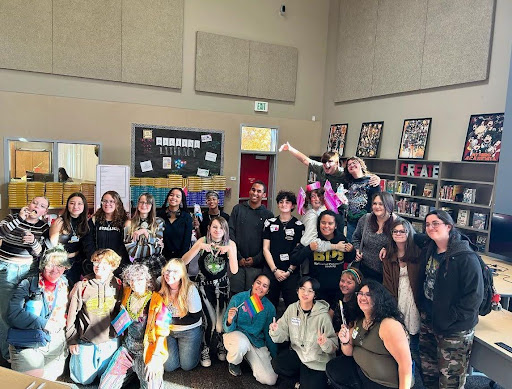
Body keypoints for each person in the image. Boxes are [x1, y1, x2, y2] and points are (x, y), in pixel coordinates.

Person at [418, 210, 483, 389]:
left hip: (453, 328)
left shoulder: (465, 257)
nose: (430, 227)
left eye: (435, 223)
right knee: (429, 373)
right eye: (428, 224)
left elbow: (474, 297)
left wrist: (451, 317)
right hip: (429, 320)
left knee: (451, 380)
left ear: (448, 226)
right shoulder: (430, 249)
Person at [328, 280, 412, 389]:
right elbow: (349, 353)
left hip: (384, 384)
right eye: (360, 294)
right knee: (333, 367)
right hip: (362, 374)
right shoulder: (360, 320)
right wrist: (345, 341)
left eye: (369, 295)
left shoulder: (388, 324)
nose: (363, 297)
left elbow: (405, 364)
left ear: (379, 299)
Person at [6, 245, 70, 380]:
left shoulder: (65, 284)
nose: (55, 270)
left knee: (48, 382)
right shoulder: (28, 284)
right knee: (32, 382)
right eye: (50, 265)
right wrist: (44, 323)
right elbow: (14, 313)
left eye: (60, 265)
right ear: (42, 266)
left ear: (65, 267)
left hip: (56, 340)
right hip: (29, 341)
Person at [182, 216, 238, 367]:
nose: (217, 230)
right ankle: (204, 348)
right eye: (214, 227)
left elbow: (234, 269)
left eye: (221, 228)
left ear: (225, 230)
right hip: (204, 286)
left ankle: (220, 344)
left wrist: (230, 252)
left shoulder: (230, 244)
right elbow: (184, 261)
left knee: (220, 323)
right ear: (209, 229)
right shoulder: (202, 241)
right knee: (209, 322)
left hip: (222, 287)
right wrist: (198, 248)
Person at [99, 264, 164, 389]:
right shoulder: (127, 293)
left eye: (139, 279)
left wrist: (155, 358)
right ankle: (133, 374)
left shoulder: (157, 300)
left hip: (147, 352)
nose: (135, 283)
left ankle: (139, 374)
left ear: (147, 280)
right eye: (132, 280)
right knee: (105, 386)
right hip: (127, 350)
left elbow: (163, 331)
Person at [0, 196, 50, 360]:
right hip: (7, 267)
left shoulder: (43, 227)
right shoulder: (13, 217)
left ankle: (19, 348)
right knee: (5, 311)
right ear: (29, 204)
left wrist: (33, 242)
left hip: (28, 270)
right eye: (35, 202)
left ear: (44, 212)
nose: (37, 206)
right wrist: (20, 219)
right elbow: (1, 232)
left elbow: (41, 252)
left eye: (42, 206)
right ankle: (7, 354)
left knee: (22, 310)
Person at [66, 248, 123, 385]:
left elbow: (119, 312)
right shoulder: (82, 286)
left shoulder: (118, 285)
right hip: (87, 340)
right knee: (84, 381)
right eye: (96, 262)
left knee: (104, 379)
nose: (99, 267)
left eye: (104, 264)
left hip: (109, 340)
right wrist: (71, 340)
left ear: (112, 266)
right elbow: (71, 314)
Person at [269, 276, 337, 389]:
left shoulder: (323, 316)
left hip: (317, 361)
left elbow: (334, 346)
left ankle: (302, 383)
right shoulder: (291, 309)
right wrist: (275, 331)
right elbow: (282, 337)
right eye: (302, 289)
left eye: (310, 291)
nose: (305, 293)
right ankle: (298, 382)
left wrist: (325, 343)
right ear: (297, 290)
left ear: (314, 295)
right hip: (298, 354)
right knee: (277, 363)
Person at [223, 274, 277, 385]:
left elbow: (268, 334)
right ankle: (234, 362)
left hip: (255, 341)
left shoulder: (270, 308)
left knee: (270, 380)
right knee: (241, 344)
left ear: (267, 291)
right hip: (237, 336)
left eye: (265, 286)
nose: (260, 287)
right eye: (258, 282)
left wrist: (275, 356)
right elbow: (227, 329)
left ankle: (247, 357)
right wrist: (229, 320)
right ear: (253, 284)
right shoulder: (238, 298)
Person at [292, 210, 354, 305]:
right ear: (318, 224)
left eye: (330, 223)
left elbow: (349, 259)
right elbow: (294, 259)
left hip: (336, 290)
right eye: (323, 223)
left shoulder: (340, 238)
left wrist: (351, 251)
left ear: (336, 225)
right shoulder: (313, 238)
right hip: (316, 290)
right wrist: (309, 248)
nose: (326, 226)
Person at [382, 219, 422, 367]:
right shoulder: (388, 255)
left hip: (414, 299)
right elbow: (387, 284)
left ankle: (415, 376)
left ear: (409, 232)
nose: (398, 234)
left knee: (414, 344)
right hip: (397, 299)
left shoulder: (418, 252)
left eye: (402, 231)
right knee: (400, 340)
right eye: (395, 231)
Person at [228, 180, 273, 295]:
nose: (255, 193)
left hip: (257, 266)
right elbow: (230, 233)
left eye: (259, 191)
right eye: (253, 190)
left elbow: (268, 242)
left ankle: (250, 314)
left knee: (253, 296)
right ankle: (235, 314)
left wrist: (256, 259)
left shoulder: (268, 215)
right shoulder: (238, 209)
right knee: (235, 295)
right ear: (249, 191)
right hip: (237, 263)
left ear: (264, 195)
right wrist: (238, 257)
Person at [159, 259, 203, 372]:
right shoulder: (160, 284)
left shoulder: (190, 289)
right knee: (169, 367)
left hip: (189, 330)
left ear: (182, 274)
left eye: (175, 271)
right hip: (168, 332)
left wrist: (169, 321)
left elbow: (196, 317)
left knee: (187, 366)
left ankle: (200, 346)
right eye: (167, 271)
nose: (170, 274)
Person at [263, 190, 304, 308]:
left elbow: (299, 252)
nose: (284, 204)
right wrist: (275, 270)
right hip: (272, 270)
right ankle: (268, 326)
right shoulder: (270, 224)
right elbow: (266, 249)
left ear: (293, 206)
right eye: (281, 202)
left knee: (292, 305)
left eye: (287, 202)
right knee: (268, 304)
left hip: (291, 272)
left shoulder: (298, 226)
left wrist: (289, 271)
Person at [352, 192, 396, 283]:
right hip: (364, 269)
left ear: (388, 205)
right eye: (375, 203)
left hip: (386, 273)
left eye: (381, 204)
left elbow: (405, 244)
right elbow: (356, 238)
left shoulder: (397, 223)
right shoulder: (366, 219)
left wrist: (389, 248)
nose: (377, 207)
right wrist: (357, 250)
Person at [83, 191, 129, 275]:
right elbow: (88, 241)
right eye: (105, 201)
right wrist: (96, 258)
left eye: (111, 201)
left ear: (117, 203)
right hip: (97, 266)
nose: (107, 204)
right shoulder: (94, 220)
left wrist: (114, 261)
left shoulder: (124, 222)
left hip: (117, 265)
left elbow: (125, 244)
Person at [49, 192, 89, 286]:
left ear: (84, 206)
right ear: (67, 205)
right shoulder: (59, 222)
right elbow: (52, 247)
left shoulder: (85, 223)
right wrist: (69, 255)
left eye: (79, 203)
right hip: (61, 262)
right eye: (72, 203)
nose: (76, 206)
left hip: (79, 263)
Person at [124, 193, 165, 279]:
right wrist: (153, 243)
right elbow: (132, 251)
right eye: (141, 202)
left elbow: (159, 248)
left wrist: (145, 233)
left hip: (157, 263)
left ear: (152, 206)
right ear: (138, 204)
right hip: (139, 266)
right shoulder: (129, 223)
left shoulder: (158, 222)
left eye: (147, 203)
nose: (144, 205)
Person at [343, 157, 380, 241]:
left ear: (361, 165)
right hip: (351, 220)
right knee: (350, 244)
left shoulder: (371, 180)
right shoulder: (347, 182)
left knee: (365, 244)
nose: (352, 165)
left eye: (354, 163)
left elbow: (377, 200)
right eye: (349, 165)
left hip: (367, 221)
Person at [157, 187, 193, 260]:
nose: (173, 198)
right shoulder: (159, 214)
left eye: (177, 196)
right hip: (160, 257)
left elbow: (187, 242)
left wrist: (181, 260)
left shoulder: (186, 217)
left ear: (181, 200)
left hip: (179, 258)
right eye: (171, 195)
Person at [330, 268, 364, 333]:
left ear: (356, 285)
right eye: (342, 281)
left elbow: (353, 327)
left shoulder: (357, 303)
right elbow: (330, 314)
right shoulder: (339, 295)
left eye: (349, 283)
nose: (344, 285)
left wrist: (336, 335)